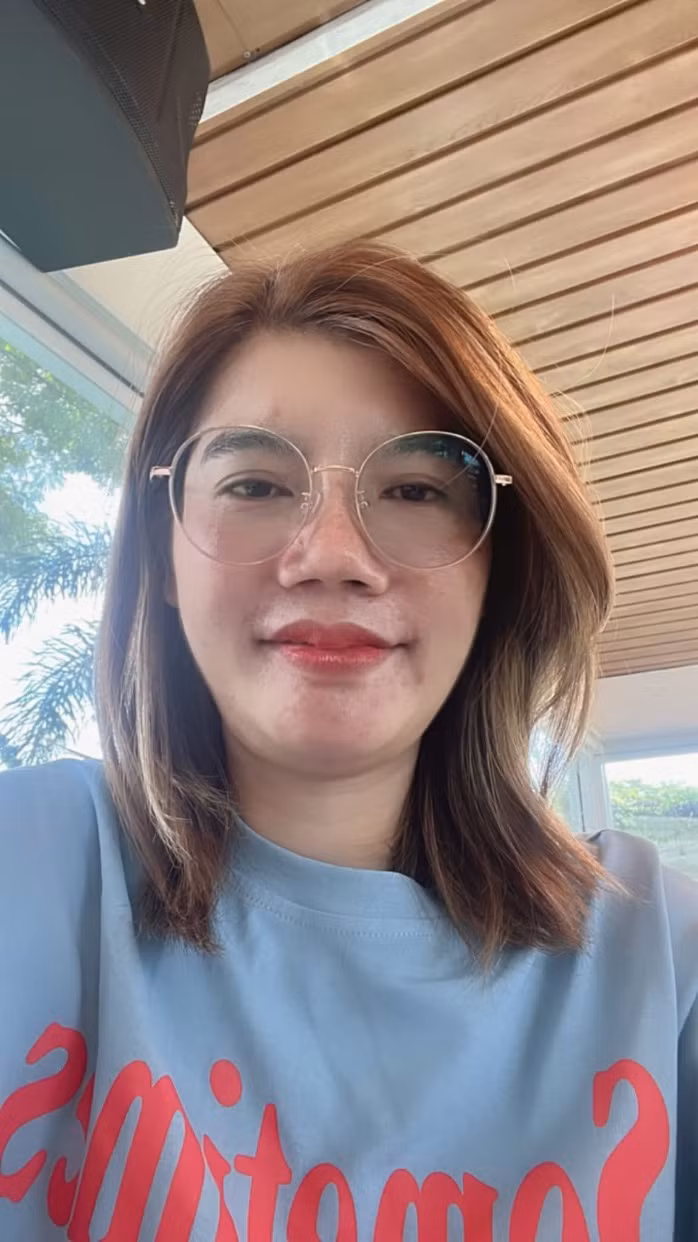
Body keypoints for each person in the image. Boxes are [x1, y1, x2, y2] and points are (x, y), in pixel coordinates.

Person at [0, 240, 696, 1242]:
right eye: (254, 485)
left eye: (415, 490)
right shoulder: (31, 863)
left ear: (499, 569)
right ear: (161, 550)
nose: (331, 556)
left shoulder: (658, 958)